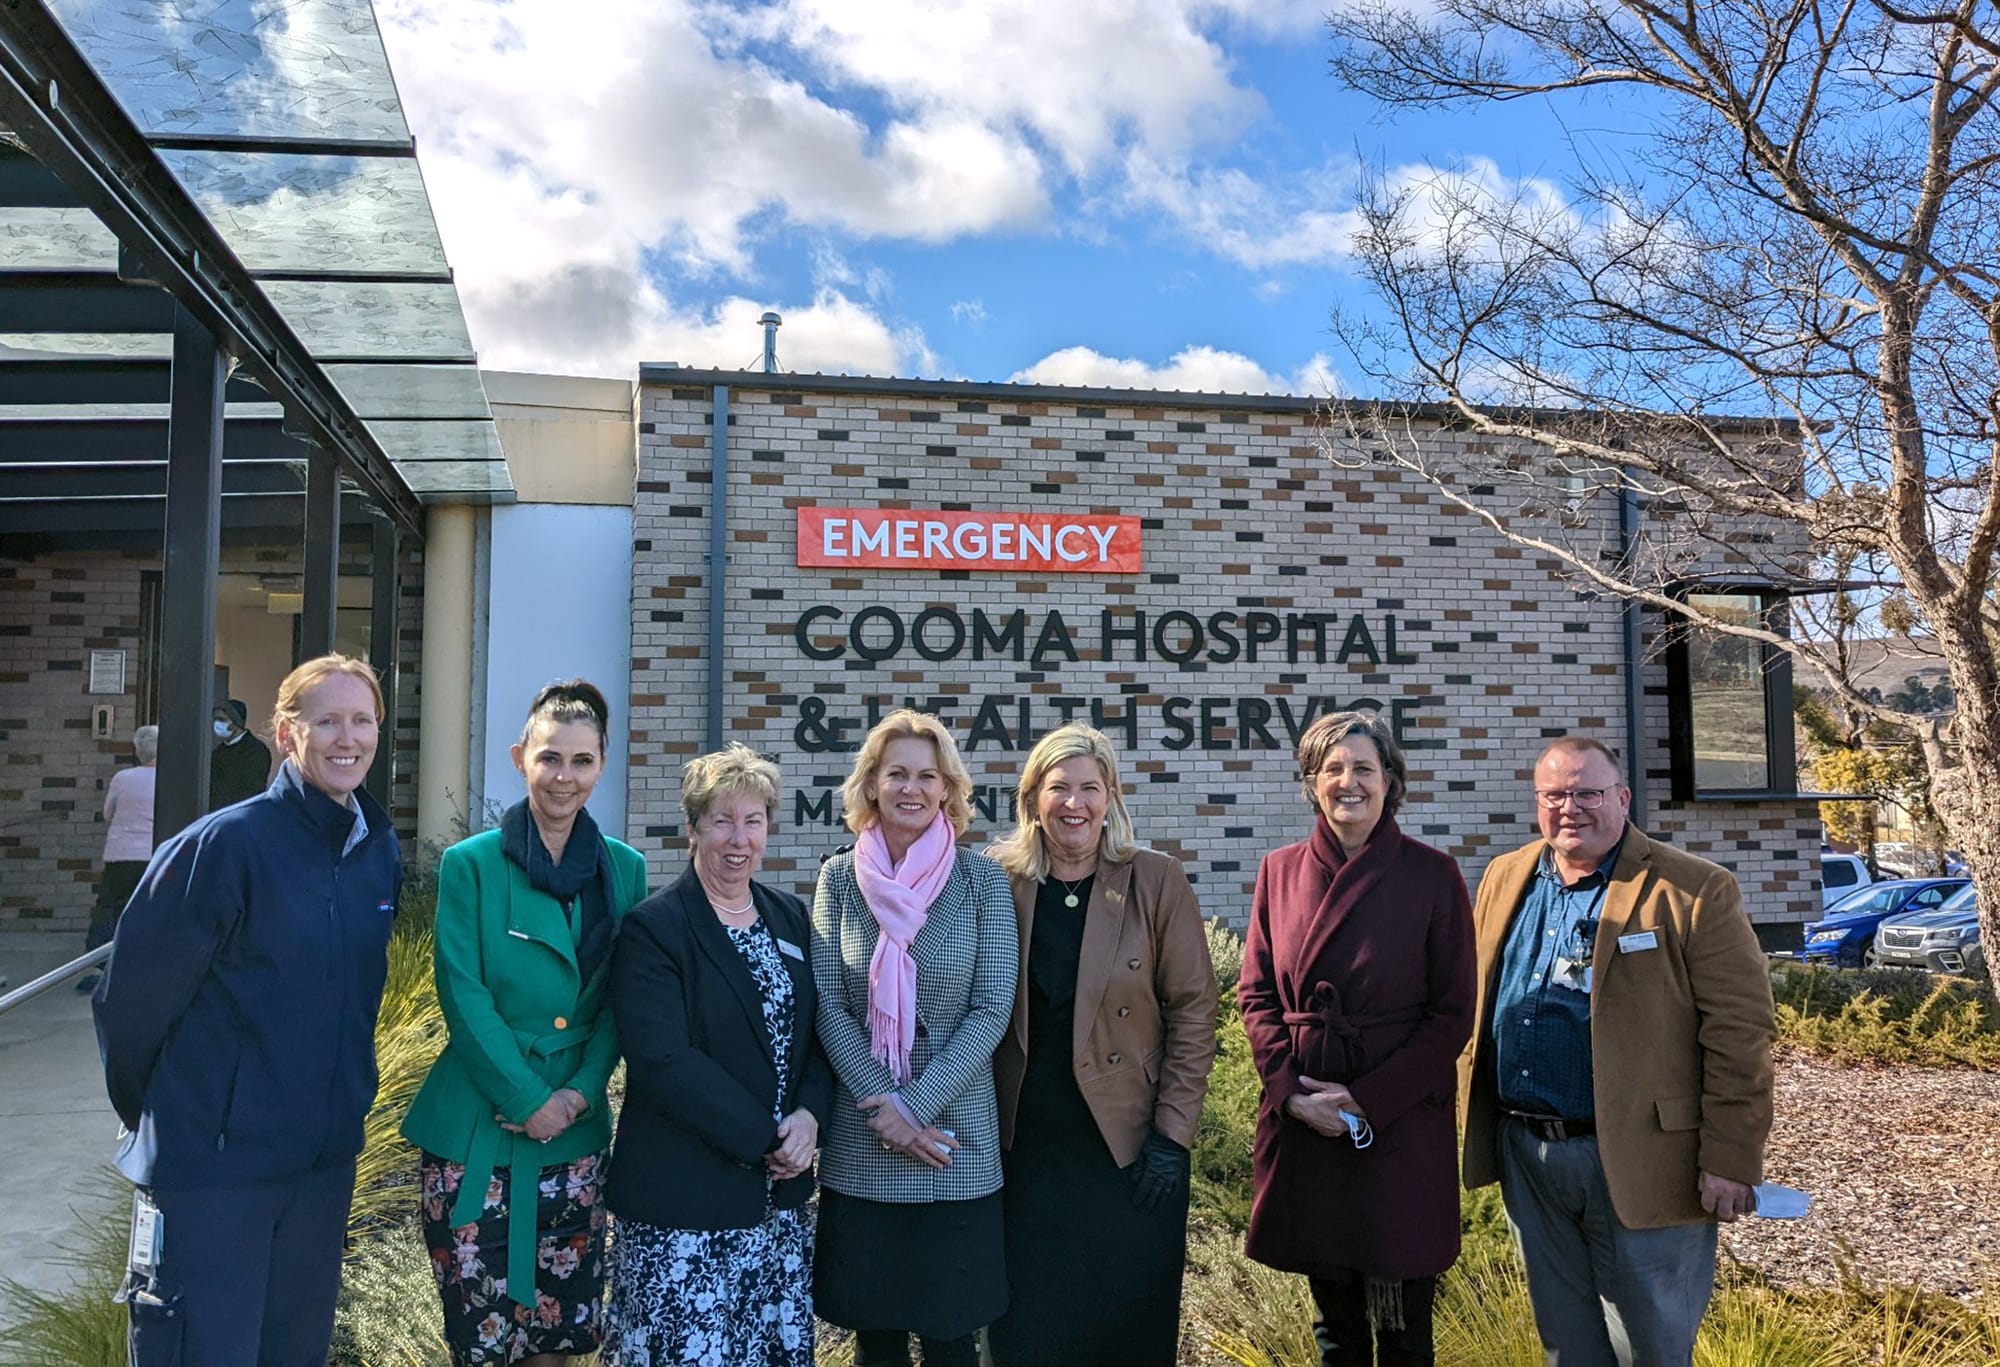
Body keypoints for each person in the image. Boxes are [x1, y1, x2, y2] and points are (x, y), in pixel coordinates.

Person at [92, 655, 403, 1367]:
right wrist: (188, 1117)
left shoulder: (375, 850)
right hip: (214, 1175)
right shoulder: (222, 847)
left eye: (362, 720)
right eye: (327, 720)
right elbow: (131, 1007)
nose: (346, 737)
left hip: (321, 1170)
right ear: (288, 732)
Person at [1459, 736, 1776, 1367]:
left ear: (1622, 798)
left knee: (1651, 1348)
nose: (1570, 807)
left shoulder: (1693, 889)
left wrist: (1732, 1157)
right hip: (1529, 1153)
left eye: (1587, 792)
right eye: (1554, 795)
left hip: (1644, 1157)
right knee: (1566, 1346)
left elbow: (1740, 1031)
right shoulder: (1505, 876)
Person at [402, 680, 648, 1366]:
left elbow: (620, 1000)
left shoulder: (625, 870)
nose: (563, 777)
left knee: (561, 1335)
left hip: (575, 1131)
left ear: (602, 763)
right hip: (479, 1129)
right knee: (481, 1337)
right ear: (520, 758)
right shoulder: (471, 864)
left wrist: (578, 1092)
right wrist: (525, 1098)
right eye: (548, 758)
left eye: (580, 760)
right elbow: (462, 990)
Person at [1239, 711, 1476, 1367]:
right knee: (1335, 1332)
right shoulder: (1278, 871)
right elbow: (1255, 995)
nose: (1349, 781)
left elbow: (1453, 1013)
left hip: (1395, 1126)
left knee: (1404, 1332)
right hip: (1309, 1124)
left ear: (1390, 780)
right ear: (1312, 782)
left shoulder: (1433, 875)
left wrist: (1365, 1100)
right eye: (1332, 768)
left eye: (1363, 767)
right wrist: (1290, 1094)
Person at [988, 723, 1217, 1367]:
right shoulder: (998, 883)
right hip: (1024, 1153)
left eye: (1091, 787)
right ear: (1033, 797)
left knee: (1127, 1335)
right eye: (1059, 787)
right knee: (1029, 1332)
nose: (1075, 803)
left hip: (1129, 1152)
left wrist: (1172, 1139)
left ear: (1111, 796)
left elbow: (1195, 1012)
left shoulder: (1155, 880)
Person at [602, 743, 831, 1366]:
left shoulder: (788, 915)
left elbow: (817, 1035)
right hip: (684, 1207)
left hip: (776, 1212)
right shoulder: (656, 927)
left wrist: (810, 1119)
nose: (739, 838)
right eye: (723, 820)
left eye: (753, 821)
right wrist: (767, 1139)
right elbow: (663, 1060)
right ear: (693, 829)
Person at [810, 709, 1018, 1367]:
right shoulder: (839, 877)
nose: (912, 787)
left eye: (927, 775)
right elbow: (828, 1003)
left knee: (954, 1337)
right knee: (877, 1340)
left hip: (954, 1140)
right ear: (871, 783)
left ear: (948, 788)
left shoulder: (983, 879)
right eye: (896, 771)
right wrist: (887, 1109)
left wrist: (916, 1106)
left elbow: (991, 1009)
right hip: (866, 1136)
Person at [77, 724, 158, 994]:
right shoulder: (171, 778)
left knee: (111, 908)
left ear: (138, 750)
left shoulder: (123, 778)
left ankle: (104, 963)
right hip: (155, 853)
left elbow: (108, 812)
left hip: (121, 853)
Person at [207, 697, 273, 810]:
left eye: (222, 719)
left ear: (236, 722)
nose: (217, 724)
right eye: (215, 719)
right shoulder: (218, 752)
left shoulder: (255, 751)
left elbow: (253, 790)